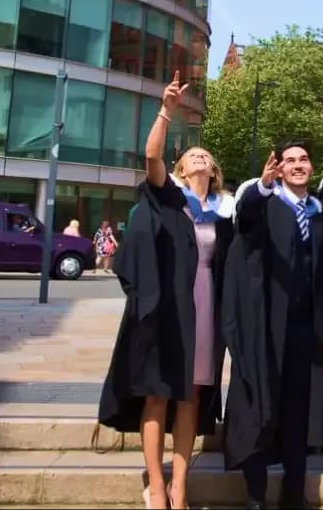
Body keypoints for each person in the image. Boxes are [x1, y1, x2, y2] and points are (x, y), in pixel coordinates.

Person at [97, 71, 235, 510]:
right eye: (191, 154)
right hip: (169, 303)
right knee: (159, 391)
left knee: (191, 395)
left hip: (205, 303)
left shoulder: (222, 211)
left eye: (204, 155)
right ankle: (156, 484)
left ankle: (180, 485)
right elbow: (151, 154)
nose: (198, 158)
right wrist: (165, 110)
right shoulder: (168, 196)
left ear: (213, 170)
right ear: (180, 168)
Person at [222, 141, 323, 509]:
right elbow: (246, 215)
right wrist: (263, 185)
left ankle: (293, 488)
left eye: (303, 160)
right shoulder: (266, 202)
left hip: (304, 325)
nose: (298, 165)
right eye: (290, 161)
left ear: (311, 168)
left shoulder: (318, 211)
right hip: (265, 324)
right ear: (279, 169)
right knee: (260, 401)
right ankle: (256, 493)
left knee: (298, 407)